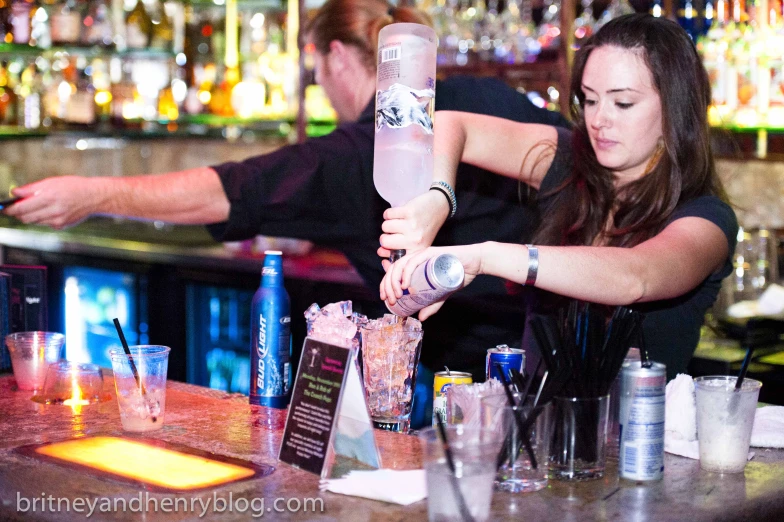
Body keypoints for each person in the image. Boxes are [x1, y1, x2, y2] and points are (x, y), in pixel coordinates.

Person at [2, 0, 569, 400]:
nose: (319, 86)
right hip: (573, 340)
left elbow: (229, 190)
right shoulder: (487, 96)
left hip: (476, 384)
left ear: (340, 57)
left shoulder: (358, 149)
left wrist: (90, 193)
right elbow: (577, 163)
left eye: (316, 70)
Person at [380, 13, 738, 380]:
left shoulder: (707, 220)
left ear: (675, 109)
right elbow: (452, 124)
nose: (599, 120)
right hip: (537, 428)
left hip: (634, 434)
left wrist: (483, 257)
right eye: (590, 100)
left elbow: (635, 277)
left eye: (623, 103)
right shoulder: (570, 160)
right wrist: (438, 198)